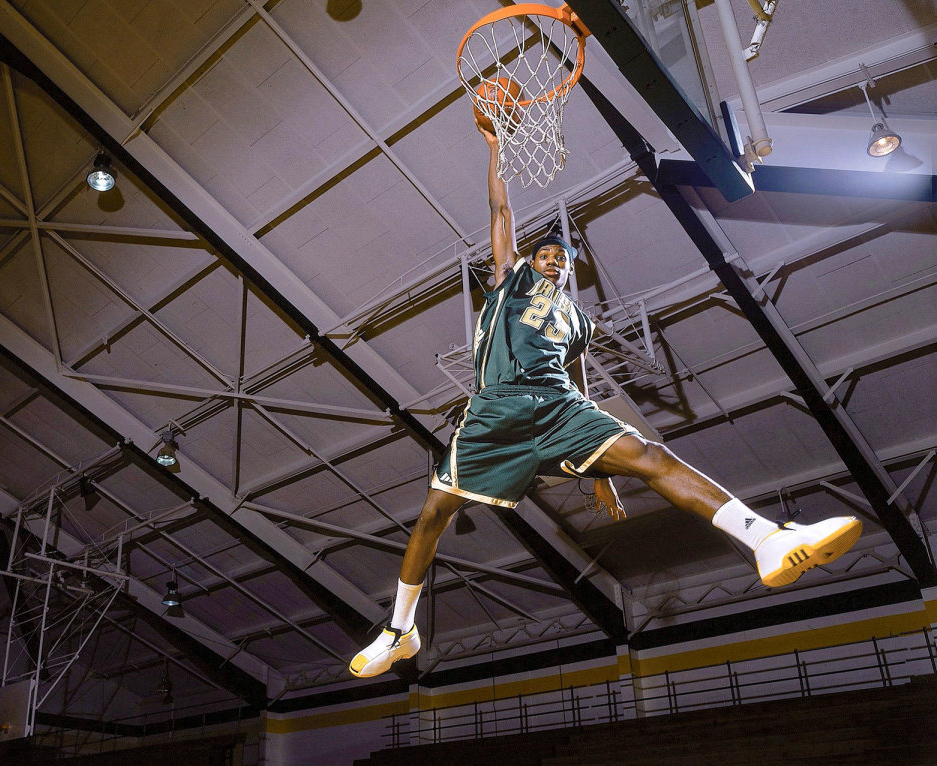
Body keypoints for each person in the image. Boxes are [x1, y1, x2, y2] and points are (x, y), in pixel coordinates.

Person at [349, 122, 862, 678]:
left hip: (559, 406)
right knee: (433, 515)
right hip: (496, 407)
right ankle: (401, 630)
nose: (550, 260)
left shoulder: (577, 319)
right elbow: (500, 213)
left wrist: (598, 472)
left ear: (570, 269)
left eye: (559, 258)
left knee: (649, 456)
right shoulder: (509, 279)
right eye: (544, 253)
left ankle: (765, 538)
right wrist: (495, 148)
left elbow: (579, 379)